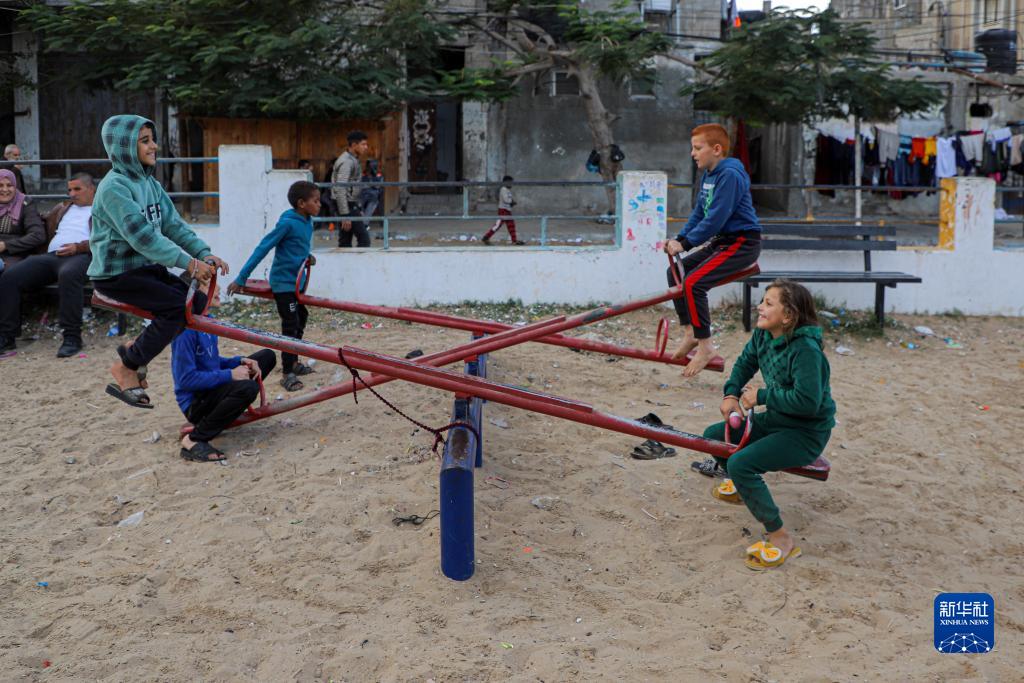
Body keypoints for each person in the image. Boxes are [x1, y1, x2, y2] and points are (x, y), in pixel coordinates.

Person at [88, 114, 228, 409]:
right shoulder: (114, 188)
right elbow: (144, 238)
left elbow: (173, 225)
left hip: (144, 269)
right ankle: (127, 367)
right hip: (117, 274)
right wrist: (190, 264)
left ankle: (133, 350)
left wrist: (203, 253)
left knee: (196, 304)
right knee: (177, 308)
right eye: (145, 141)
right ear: (125, 148)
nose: (154, 146)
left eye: (152, 140)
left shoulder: (148, 183)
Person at [702, 279, 835, 571]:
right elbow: (745, 363)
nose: (760, 307)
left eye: (768, 303)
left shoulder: (806, 351)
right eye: (762, 301)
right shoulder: (764, 335)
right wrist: (730, 394)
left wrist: (762, 396)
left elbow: (808, 403)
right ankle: (745, 490)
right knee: (714, 437)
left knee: (740, 464)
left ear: (788, 316)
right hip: (777, 419)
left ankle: (780, 537)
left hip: (805, 432)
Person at [664, 123, 761, 377]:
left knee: (694, 283)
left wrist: (686, 244)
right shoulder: (708, 175)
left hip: (742, 243)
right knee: (675, 272)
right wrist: (680, 238)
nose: (693, 153)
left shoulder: (730, 175)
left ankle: (706, 347)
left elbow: (716, 218)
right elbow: (700, 213)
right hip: (722, 241)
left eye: (698, 148)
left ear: (716, 149)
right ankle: (690, 333)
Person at [227, 180, 319, 391]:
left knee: (301, 317)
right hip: (284, 283)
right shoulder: (287, 223)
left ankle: (293, 361)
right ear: (302, 203)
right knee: (290, 323)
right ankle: (287, 373)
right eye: (316, 201)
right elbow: (263, 248)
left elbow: (297, 247)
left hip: (297, 283)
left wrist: (308, 257)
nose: (319, 205)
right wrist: (242, 277)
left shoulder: (308, 221)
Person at [172, 279, 276, 462]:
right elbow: (185, 379)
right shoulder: (185, 331)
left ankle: (228, 409)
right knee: (248, 388)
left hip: (212, 391)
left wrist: (239, 361)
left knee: (267, 356)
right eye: (208, 284)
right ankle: (194, 440)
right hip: (197, 403)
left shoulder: (208, 321)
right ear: (193, 294)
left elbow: (210, 361)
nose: (218, 287)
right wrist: (231, 374)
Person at [0, 173, 96, 356]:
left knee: (68, 274)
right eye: (69, 190)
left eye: (77, 189)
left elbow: (110, 239)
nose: (72, 194)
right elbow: (41, 224)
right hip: (52, 256)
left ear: (92, 189)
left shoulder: (104, 209)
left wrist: (78, 247)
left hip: (83, 255)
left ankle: (72, 337)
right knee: (10, 276)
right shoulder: (63, 208)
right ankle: (7, 336)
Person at [0, 168, 45, 285]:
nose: (5, 189)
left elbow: (38, 235)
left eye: (9, 185)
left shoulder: (25, 204)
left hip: (13, 255)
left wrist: (5, 245)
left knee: (8, 276)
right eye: (0, 185)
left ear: (15, 186)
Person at [331, 131, 371, 248]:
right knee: (364, 239)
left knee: (345, 240)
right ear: (354, 145)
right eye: (363, 144)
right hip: (345, 204)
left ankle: (345, 260)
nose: (366, 147)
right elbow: (341, 188)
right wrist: (345, 214)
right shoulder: (347, 162)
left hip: (349, 203)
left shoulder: (353, 159)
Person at [481, 175, 523, 245]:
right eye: (510, 182)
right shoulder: (503, 189)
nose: (511, 184)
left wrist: (512, 202)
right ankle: (486, 237)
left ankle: (514, 240)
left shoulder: (507, 190)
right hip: (503, 211)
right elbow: (506, 200)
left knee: (511, 225)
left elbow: (508, 199)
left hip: (507, 210)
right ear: (505, 182)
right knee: (498, 225)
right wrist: (512, 202)